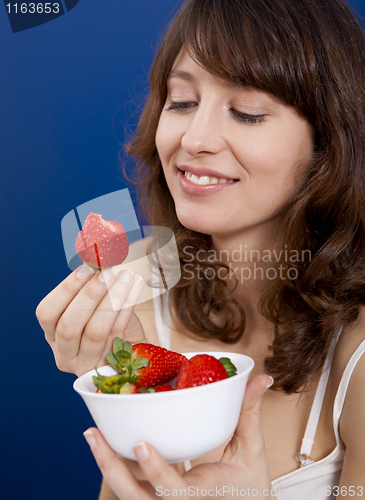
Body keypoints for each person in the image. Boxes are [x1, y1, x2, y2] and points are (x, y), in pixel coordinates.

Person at [36, 0, 365, 498]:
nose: (194, 138)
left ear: (328, 143)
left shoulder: (357, 351)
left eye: (247, 111)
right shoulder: (139, 280)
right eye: (183, 101)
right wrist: (117, 385)